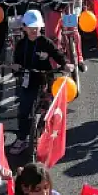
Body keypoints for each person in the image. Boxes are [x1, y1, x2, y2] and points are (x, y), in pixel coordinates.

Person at [10, 10, 69, 152]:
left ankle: (49, 135)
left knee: (52, 108)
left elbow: (57, 54)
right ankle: (22, 138)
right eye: (30, 27)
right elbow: (16, 63)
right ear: (24, 27)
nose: (33, 30)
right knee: (24, 109)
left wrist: (65, 64)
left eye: (36, 27)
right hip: (28, 79)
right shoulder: (21, 44)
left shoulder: (45, 42)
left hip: (45, 78)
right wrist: (16, 67)